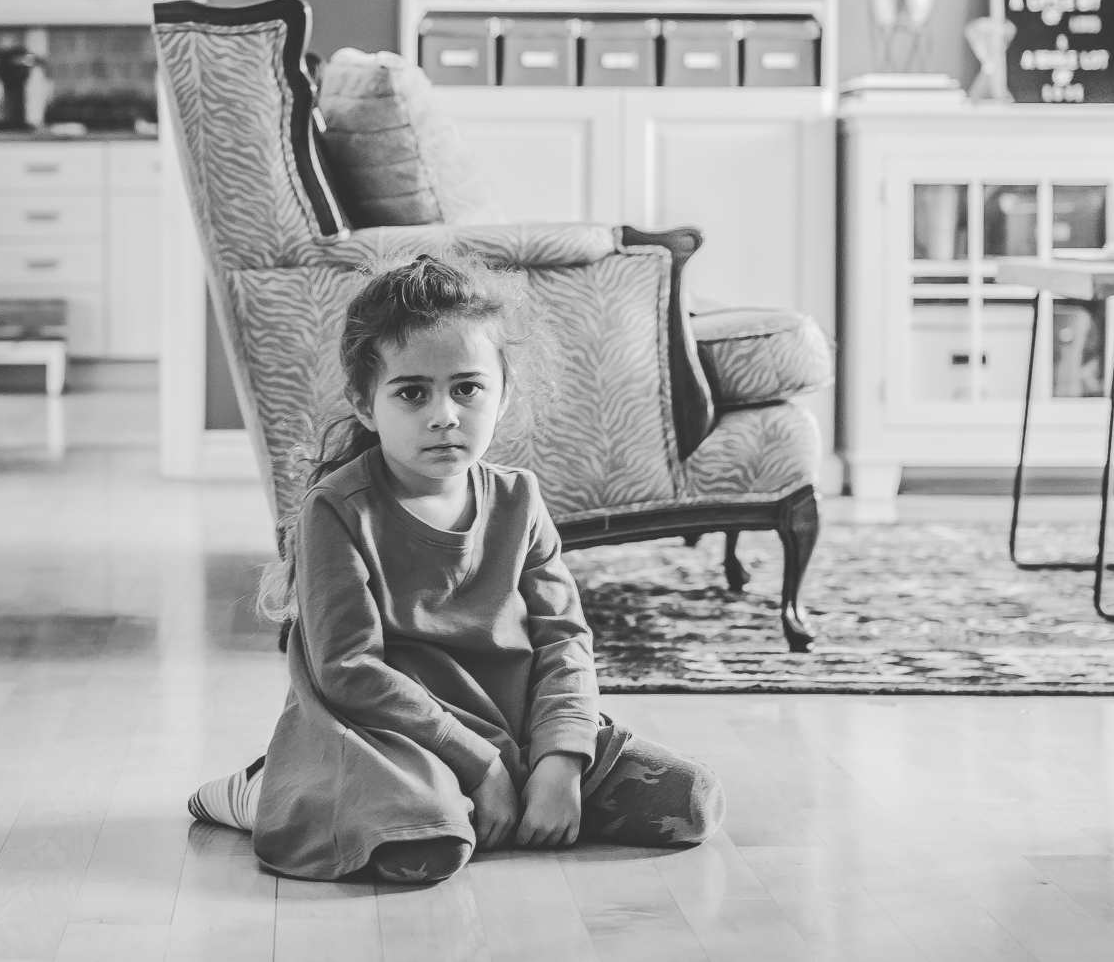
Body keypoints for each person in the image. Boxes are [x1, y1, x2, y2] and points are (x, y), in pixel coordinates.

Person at [187, 254, 724, 883]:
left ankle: (516, 802)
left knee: (689, 803)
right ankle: (268, 787)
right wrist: (481, 765)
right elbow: (348, 671)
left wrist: (560, 758)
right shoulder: (334, 512)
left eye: (467, 388)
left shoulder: (520, 499)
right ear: (365, 403)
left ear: (503, 393)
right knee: (421, 845)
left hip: (517, 726)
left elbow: (565, 638)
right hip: (400, 736)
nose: (445, 414)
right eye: (413, 392)